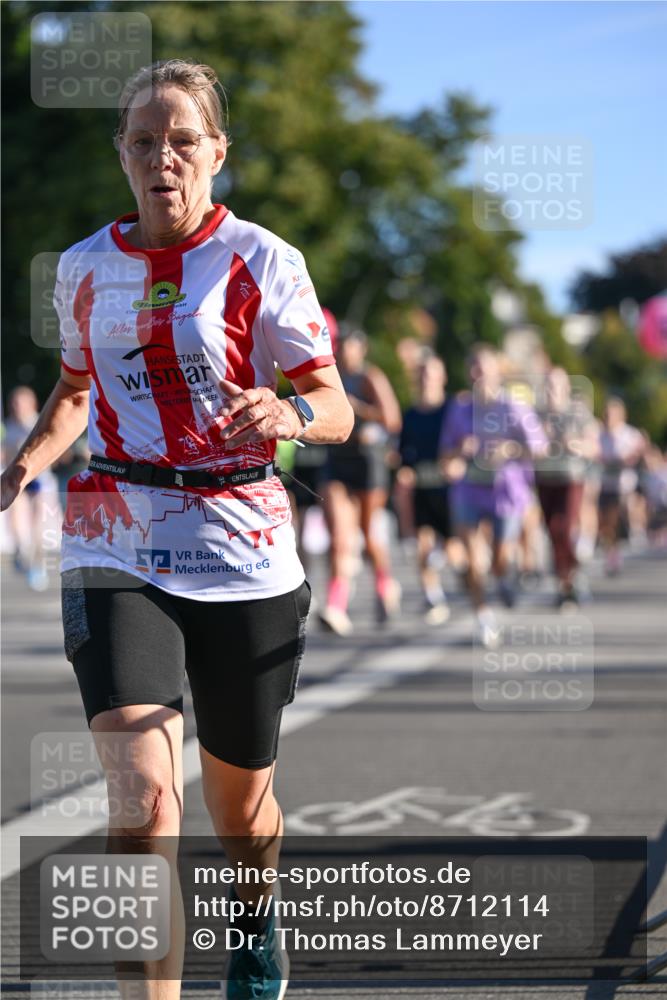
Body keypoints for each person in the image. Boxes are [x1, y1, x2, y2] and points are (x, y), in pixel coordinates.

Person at [0, 59, 353, 1000]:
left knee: (240, 809)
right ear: (122, 155)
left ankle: (255, 915)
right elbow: (76, 393)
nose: (164, 157)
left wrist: (289, 415)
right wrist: (23, 465)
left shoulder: (262, 260)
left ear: (216, 154)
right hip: (115, 534)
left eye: (183, 141)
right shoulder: (83, 267)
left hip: (240, 546)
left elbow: (336, 405)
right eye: (145, 141)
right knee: (145, 797)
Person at [439, 343, 547, 648]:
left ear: (497, 372)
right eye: (472, 368)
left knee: (500, 559)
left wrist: (510, 449)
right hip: (468, 491)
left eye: (483, 368)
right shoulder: (459, 409)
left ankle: (502, 578)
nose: (477, 374)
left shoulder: (513, 407)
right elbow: (446, 456)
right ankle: (484, 617)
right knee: (473, 561)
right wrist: (458, 455)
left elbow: (540, 448)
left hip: (506, 493)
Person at [318, 327, 402, 635]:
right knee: (340, 536)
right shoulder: (331, 374)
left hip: (368, 463)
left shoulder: (370, 377)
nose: (344, 352)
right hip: (338, 462)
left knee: (368, 534)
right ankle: (336, 607)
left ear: (362, 348)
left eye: (351, 346)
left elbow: (392, 418)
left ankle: (385, 584)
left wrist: (359, 409)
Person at [397, 353, 459, 624]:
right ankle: (433, 596)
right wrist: (404, 470)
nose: (426, 379)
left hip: (450, 489)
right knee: (423, 544)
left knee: (455, 552)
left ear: (442, 377)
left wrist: (456, 462)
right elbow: (402, 454)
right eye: (422, 374)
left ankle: (467, 581)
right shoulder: (410, 415)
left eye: (432, 373)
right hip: (422, 486)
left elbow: (465, 442)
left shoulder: (452, 410)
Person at [534, 367, 599, 608]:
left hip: (571, 477)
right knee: (552, 531)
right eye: (548, 385)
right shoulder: (536, 414)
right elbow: (524, 442)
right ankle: (566, 584)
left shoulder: (577, 413)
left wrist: (574, 444)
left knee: (561, 526)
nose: (552, 391)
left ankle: (571, 573)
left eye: (557, 385)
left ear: (566, 388)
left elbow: (594, 446)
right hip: (544, 478)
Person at [2, 386, 60, 590]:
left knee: (38, 526)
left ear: (31, 404)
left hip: (39, 480)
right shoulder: (8, 426)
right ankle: (19, 548)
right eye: (14, 403)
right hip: (17, 480)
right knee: (14, 513)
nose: (17, 407)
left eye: (21, 402)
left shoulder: (38, 422)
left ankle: (38, 565)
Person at [597, 397, 645, 575]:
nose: (609, 417)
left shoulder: (629, 434)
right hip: (605, 484)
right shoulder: (600, 435)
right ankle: (612, 554)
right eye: (607, 414)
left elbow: (637, 453)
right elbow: (595, 454)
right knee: (606, 524)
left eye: (613, 414)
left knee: (616, 519)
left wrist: (625, 459)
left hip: (624, 486)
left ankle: (634, 530)